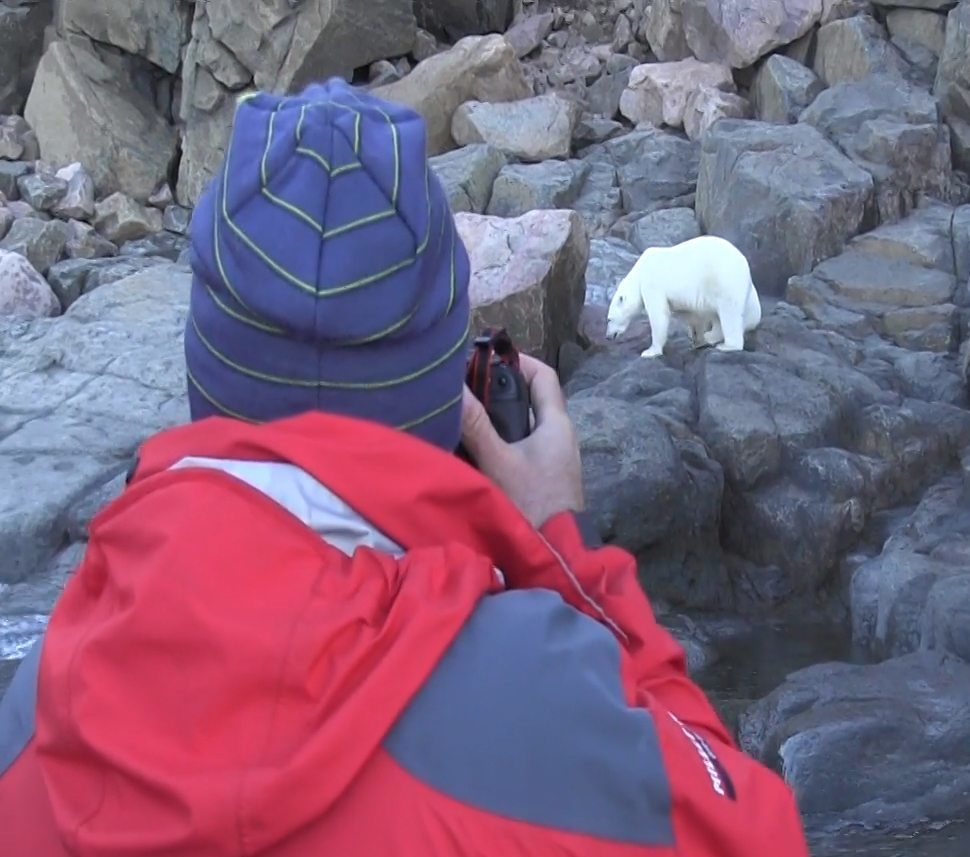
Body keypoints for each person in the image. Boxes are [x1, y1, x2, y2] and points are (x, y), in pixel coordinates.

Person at [0, 79, 811, 857]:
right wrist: (568, 564)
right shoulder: (544, 711)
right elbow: (753, 828)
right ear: (448, 392)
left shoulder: (35, 705)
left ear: (204, 368)